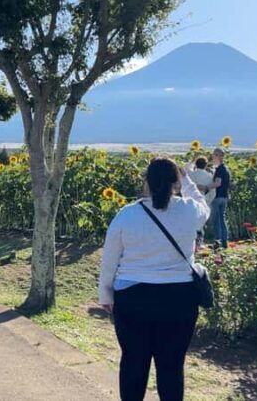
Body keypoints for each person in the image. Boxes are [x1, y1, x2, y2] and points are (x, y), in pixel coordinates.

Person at [99, 157, 210, 401]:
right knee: (172, 366)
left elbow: (110, 259)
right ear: (175, 182)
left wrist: (106, 294)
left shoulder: (127, 215)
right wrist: (187, 180)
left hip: (133, 297)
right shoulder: (189, 210)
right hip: (179, 299)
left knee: (133, 363)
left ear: (147, 182)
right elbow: (204, 206)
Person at [186, 156, 215, 246]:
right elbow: (213, 192)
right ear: (206, 165)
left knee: (191, 222)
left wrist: (192, 161)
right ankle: (200, 242)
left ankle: (193, 242)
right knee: (201, 222)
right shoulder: (209, 176)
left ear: (196, 164)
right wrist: (208, 201)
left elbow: (185, 168)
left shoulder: (192, 174)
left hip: (191, 200)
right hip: (203, 200)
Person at [207, 148, 231, 248]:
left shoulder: (220, 169)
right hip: (224, 196)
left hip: (217, 197)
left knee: (216, 220)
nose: (212, 157)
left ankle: (218, 242)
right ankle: (224, 242)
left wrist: (206, 187)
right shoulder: (225, 168)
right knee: (222, 219)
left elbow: (218, 183)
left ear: (218, 156)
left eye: (214, 155)